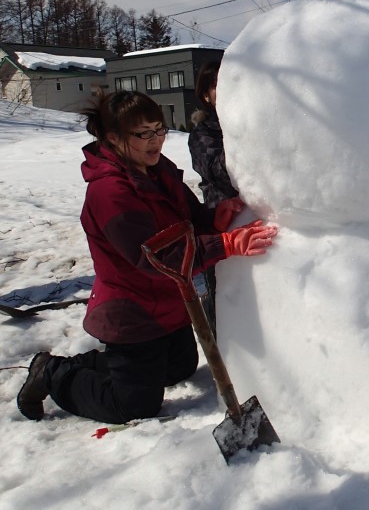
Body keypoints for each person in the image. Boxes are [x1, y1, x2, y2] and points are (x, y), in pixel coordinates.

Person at [16, 89, 277, 426]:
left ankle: (119, 366)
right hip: (132, 312)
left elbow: (185, 219)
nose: (157, 141)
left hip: (169, 300)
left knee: (179, 368)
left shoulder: (156, 169)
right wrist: (225, 244)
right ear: (113, 138)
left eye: (160, 130)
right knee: (135, 405)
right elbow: (154, 257)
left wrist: (214, 219)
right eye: (144, 134)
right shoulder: (110, 192)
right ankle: (52, 372)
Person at [187, 60, 240, 327]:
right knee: (223, 291)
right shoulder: (202, 133)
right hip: (221, 220)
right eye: (217, 85)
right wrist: (244, 141)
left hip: (254, 220)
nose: (224, 90)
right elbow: (220, 172)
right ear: (206, 94)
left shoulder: (247, 121)